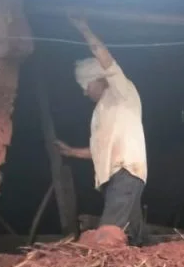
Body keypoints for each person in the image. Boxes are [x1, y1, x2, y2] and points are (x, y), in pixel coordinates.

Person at [55, 15, 147, 246]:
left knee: (109, 233)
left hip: (125, 170)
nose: (85, 93)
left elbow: (105, 58)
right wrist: (71, 152)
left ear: (98, 79)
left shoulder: (121, 92)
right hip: (114, 177)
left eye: (86, 86)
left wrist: (84, 28)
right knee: (133, 235)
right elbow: (100, 150)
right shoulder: (101, 112)